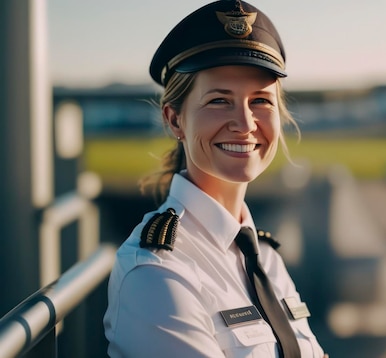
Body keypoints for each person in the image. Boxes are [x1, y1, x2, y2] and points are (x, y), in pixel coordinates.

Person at [103, 1, 327, 357]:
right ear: (175, 120)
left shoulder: (264, 256)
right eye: (220, 100)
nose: (245, 123)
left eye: (260, 101)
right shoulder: (157, 272)